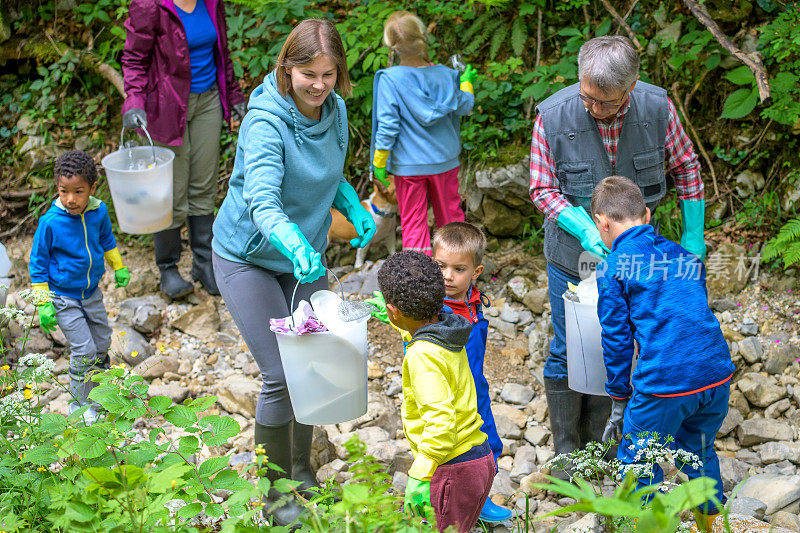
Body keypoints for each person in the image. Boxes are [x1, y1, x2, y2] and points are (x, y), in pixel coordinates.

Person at [210, 19, 375, 526]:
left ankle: (304, 472)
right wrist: (294, 244)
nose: (319, 84)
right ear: (288, 68)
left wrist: (348, 199)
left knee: (317, 362)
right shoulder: (265, 121)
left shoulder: (337, 110)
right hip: (250, 255)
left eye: (329, 74)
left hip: (303, 253)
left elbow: (329, 169)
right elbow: (262, 197)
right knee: (281, 374)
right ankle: (275, 494)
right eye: (308, 73)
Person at [528, 36, 707, 465]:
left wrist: (693, 238)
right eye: (587, 96)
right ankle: (568, 451)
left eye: (605, 103)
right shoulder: (553, 116)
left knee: (634, 340)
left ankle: (615, 442)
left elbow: (686, 167)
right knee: (567, 345)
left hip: (641, 258)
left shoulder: (657, 108)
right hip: (574, 255)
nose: (593, 108)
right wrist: (585, 229)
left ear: (631, 88)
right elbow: (542, 187)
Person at [592, 176, 733, 531]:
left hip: (664, 385)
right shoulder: (686, 257)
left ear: (601, 223)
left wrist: (619, 396)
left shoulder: (613, 268)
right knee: (699, 452)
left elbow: (617, 340)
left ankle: (642, 526)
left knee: (638, 461)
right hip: (716, 374)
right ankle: (712, 525)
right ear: (648, 215)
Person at [121, 0, 246, 299]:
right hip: (165, 107)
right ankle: (168, 269)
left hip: (209, 101)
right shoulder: (150, 6)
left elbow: (222, 54)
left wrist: (234, 93)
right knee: (170, 192)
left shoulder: (211, 3)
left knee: (203, 187)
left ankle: (204, 265)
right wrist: (134, 101)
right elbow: (134, 59)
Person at [377, 251, 494, 533]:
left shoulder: (421, 357)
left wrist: (420, 474)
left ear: (394, 310)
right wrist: (399, 324)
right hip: (479, 457)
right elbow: (422, 333)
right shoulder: (448, 327)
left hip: (452, 468)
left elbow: (441, 422)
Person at [29, 150, 131, 424]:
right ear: (57, 188)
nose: (71, 199)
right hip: (62, 296)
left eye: (78, 191)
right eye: (64, 191)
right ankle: (79, 406)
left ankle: (100, 400)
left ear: (93, 188)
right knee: (83, 350)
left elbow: (107, 241)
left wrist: (118, 266)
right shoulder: (50, 222)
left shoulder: (98, 212)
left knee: (101, 345)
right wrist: (44, 303)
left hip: (92, 293)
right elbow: (37, 264)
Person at [370, 10, 477, 256]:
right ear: (422, 38)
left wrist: (379, 163)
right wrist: (466, 82)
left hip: (409, 167)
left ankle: (419, 284)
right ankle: (459, 273)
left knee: (413, 224)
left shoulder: (390, 79)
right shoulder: (447, 74)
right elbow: (465, 106)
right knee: (451, 219)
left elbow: (388, 126)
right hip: (444, 161)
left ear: (393, 48)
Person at [431, 222, 511, 524]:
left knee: (489, 443)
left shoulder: (474, 302)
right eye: (440, 266)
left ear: (476, 272)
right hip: (449, 397)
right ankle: (447, 508)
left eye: (458, 269)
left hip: (477, 388)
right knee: (453, 453)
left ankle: (480, 499)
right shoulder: (432, 309)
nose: (447, 276)